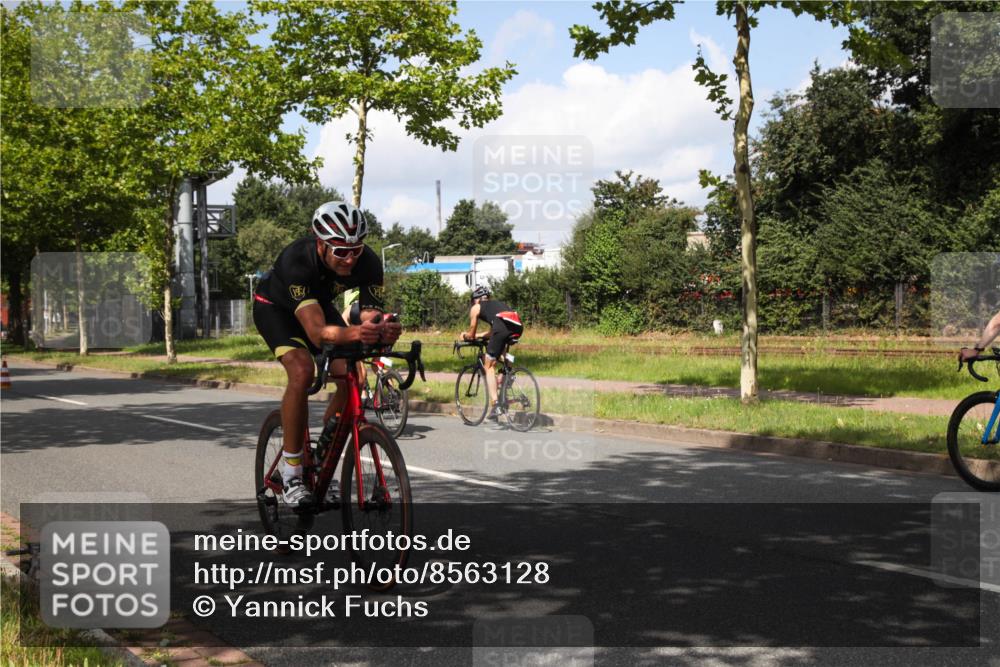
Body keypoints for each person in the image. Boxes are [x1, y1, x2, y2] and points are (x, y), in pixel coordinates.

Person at [252, 201, 401, 507]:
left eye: (355, 250)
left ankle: (322, 458)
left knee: (353, 376)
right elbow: (317, 332)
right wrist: (356, 332)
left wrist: (381, 328)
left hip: (318, 304)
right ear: (320, 243)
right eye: (340, 251)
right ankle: (292, 471)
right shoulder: (297, 259)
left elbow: (369, 315)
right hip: (276, 310)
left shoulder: (368, 262)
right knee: (302, 369)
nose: (349, 259)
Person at [460, 285, 523, 421]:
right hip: (517, 324)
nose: (473, 304)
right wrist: (481, 335)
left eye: (472, 301)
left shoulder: (476, 307)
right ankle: (507, 373)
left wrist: (465, 336)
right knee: (503, 358)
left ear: (476, 299)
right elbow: (495, 330)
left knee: (488, 365)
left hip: (502, 327)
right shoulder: (497, 305)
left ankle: (496, 404)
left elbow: (471, 334)